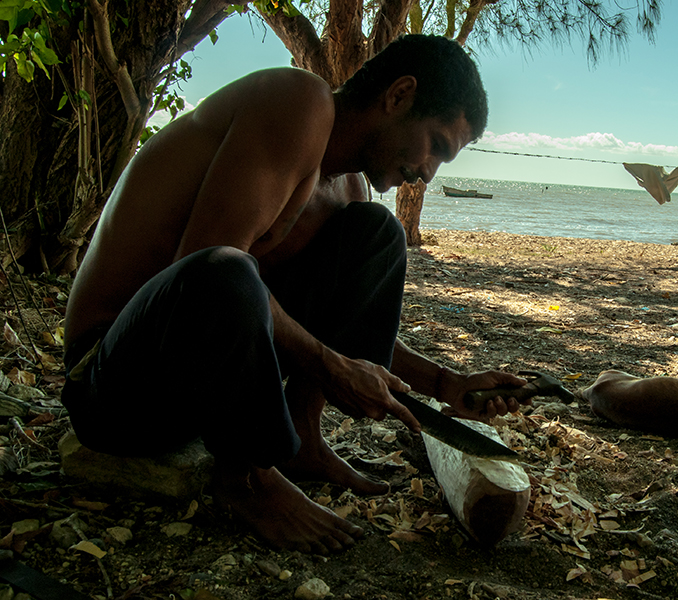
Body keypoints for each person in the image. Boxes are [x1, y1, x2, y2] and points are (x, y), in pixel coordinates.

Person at [61, 34, 527, 555]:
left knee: (377, 233)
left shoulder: (348, 189)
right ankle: (248, 476)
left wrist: (446, 383)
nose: (426, 172)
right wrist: (330, 365)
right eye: (435, 145)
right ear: (399, 95)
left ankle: (301, 437)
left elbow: (310, 327)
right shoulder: (298, 102)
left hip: (194, 393)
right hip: (114, 387)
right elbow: (210, 271)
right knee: (227, 267)